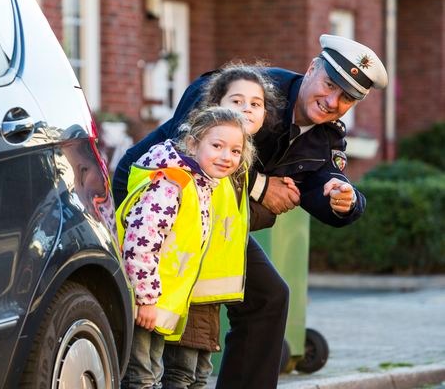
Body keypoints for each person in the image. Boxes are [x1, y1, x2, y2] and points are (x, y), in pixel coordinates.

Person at [113, 34, 388, 389]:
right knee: (151, 318)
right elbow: (195, 151)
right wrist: (261, 187)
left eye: (347, 97)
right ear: (311, 69)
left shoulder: (327, 137)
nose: (333, 101)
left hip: (215, 221)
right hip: (158, 204)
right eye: (329, 84)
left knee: (269, 298)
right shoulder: (245, 90)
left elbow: (323, 185)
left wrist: (345, 198)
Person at [160, 62, 292, 389]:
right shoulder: (202, 163)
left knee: (195, 376)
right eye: (237, 101)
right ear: (215, 103)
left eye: (256, 103)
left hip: (208, 298)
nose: (247, 108)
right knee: (176, 375)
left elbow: (234, 219)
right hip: (184, 293)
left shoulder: (235, 164)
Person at [118, 106, 255, 389]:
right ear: (193, 143)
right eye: (217, 146)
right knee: (141, 378)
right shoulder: (171, 185)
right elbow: (140, 243)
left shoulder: (202, 184)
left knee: (151, 374)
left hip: (159, 303)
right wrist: (146, 299)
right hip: (144, 300)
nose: (226, 157)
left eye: (235, 150)